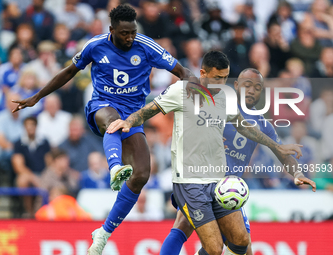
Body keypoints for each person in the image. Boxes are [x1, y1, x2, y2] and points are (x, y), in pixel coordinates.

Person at [11, 4, 192, 255]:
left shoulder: (146, 45)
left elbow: (182, 72)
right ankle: (115, 167)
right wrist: (37, 96)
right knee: (113, 120)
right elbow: (69, 71)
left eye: (132, 32)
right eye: (124, 33)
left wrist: (205, 93)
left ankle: (103, 232)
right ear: (112, 30)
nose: (130, 38)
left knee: (141, 175)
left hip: (134, 115)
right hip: (102, 107)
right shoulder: (95, 45)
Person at [107, 52, 310, 255]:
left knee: (240, 242)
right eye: (217, 78)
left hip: (221, 182)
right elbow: (149, 110)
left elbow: (244, 127)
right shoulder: (182, 91)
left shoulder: (227, 98)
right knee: (208, 244)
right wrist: (129, 121)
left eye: (225, 77)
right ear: (203, 73)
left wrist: (279, 149)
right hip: (190, 181)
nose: (221, 83)